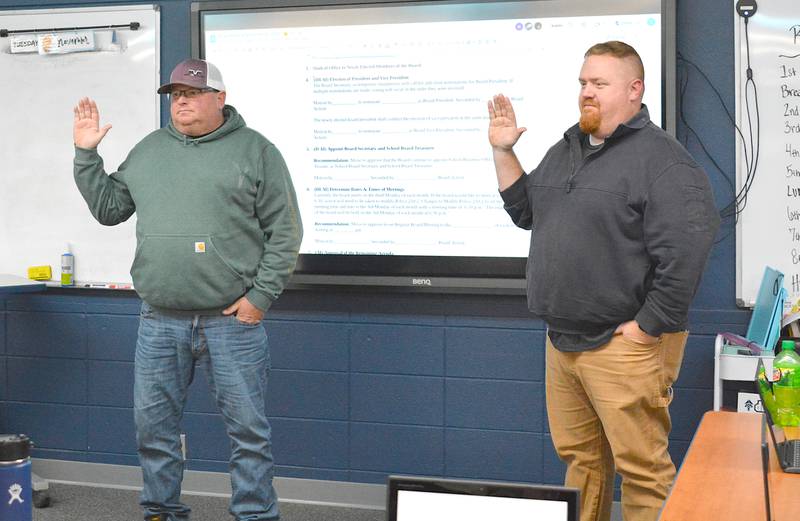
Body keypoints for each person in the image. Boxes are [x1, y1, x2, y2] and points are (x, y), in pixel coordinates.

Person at [487, 41, 719, 521]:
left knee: (641, 472)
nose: (586, 93)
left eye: (599, 84)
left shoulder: (663, 161)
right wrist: (503, 151)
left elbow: (688, 251)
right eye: (583, 83)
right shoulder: (567, 147)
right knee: (582, 465)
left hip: (624, 344)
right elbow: (526, 211)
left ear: (634, 90)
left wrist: (646, 328)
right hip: (563, 341)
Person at [72, 58, 303, 521]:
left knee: (248, 433)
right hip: (160, 319)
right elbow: (110, 209)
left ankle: (254, 514)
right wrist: (86, 156)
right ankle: (162, 511)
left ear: (220, 98)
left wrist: (259, 299)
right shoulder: (150, 149)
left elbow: (286, 232)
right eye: (175, 94)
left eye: (193, 93)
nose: (182, 101)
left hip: (231, 323)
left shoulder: (257, 151)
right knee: (153, 430)